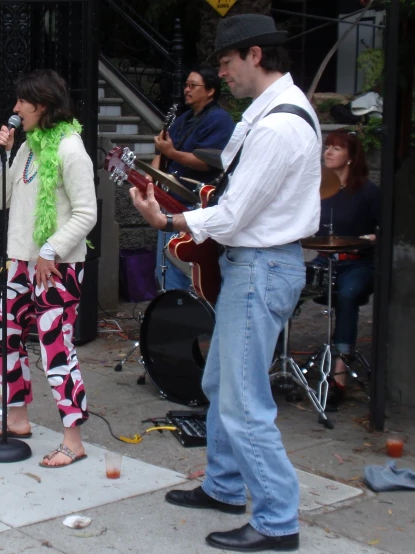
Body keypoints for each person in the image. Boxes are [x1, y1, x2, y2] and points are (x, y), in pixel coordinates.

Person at [131, 15, 321, 552]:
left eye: (224, 62)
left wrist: (167, 222)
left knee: (242, 402)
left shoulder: (280, 125)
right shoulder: (263, 116)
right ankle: (224, 487)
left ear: (254, 55)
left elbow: (235, 214)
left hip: (261, 266)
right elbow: (228, 193)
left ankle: (278, 521)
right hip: (254, 264)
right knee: (220, 384)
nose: (221, 74)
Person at [0, 69, 98, 468]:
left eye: (22, 103)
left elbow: (87, 213)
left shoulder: (70, 149)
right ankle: (16, 418)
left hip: (56, 266)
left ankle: (73, 440)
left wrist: (51, 250)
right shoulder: (27, 147)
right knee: (7, 336)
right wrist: (2, 155)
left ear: (42, 106)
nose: (15, 109)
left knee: (55, 349)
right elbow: (1, 201)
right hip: (20, 260)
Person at [150, 65, 234, 291]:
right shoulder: (184, 118)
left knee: (184, 265)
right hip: (169, 201)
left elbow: (208, 160)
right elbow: (162, 152)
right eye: (186, 85)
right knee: (165, 265)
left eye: (192, 85)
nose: (186, 90)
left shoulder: (220, 120)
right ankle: (169, 307)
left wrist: (171, 153)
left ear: (210, 91)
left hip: (194, 204)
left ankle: (187, 311)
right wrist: (151, 181)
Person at [316, 129, 378, 407]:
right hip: (325, 260)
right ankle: (277, 360)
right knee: (288, 284)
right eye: (327, 146)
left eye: (336, 148)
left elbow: (386, 230)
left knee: (348, 294)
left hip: (357, 263)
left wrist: (368, 239)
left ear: (351, 157)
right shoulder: (318, 189)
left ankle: (338, 374)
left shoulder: (368, 192)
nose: (328, 152)